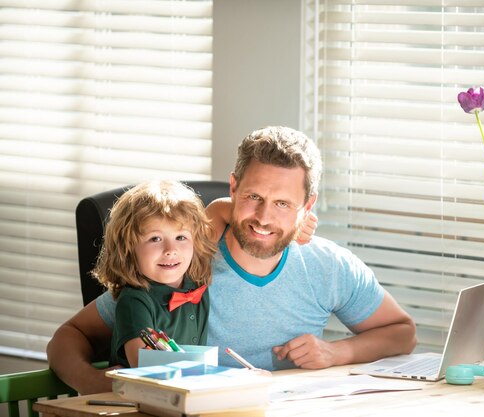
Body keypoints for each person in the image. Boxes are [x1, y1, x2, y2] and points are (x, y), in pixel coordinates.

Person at [47, 126, 417, 394]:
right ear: (234, 188)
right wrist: (92, 384)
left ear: (308, 206)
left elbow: (402, 332)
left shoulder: (327, 265)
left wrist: (337, 352)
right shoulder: (185, 261)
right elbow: (69, 336)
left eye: (283, 204)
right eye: (253, 196)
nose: (263, 218)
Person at [93, 180, 216, 367]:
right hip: (143, 394)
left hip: (188, 389)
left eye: (181, 237)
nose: (170, 249)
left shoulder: (197, 286)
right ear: (127, 249)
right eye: (155, 238)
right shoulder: (135, 301)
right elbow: (144, 365)